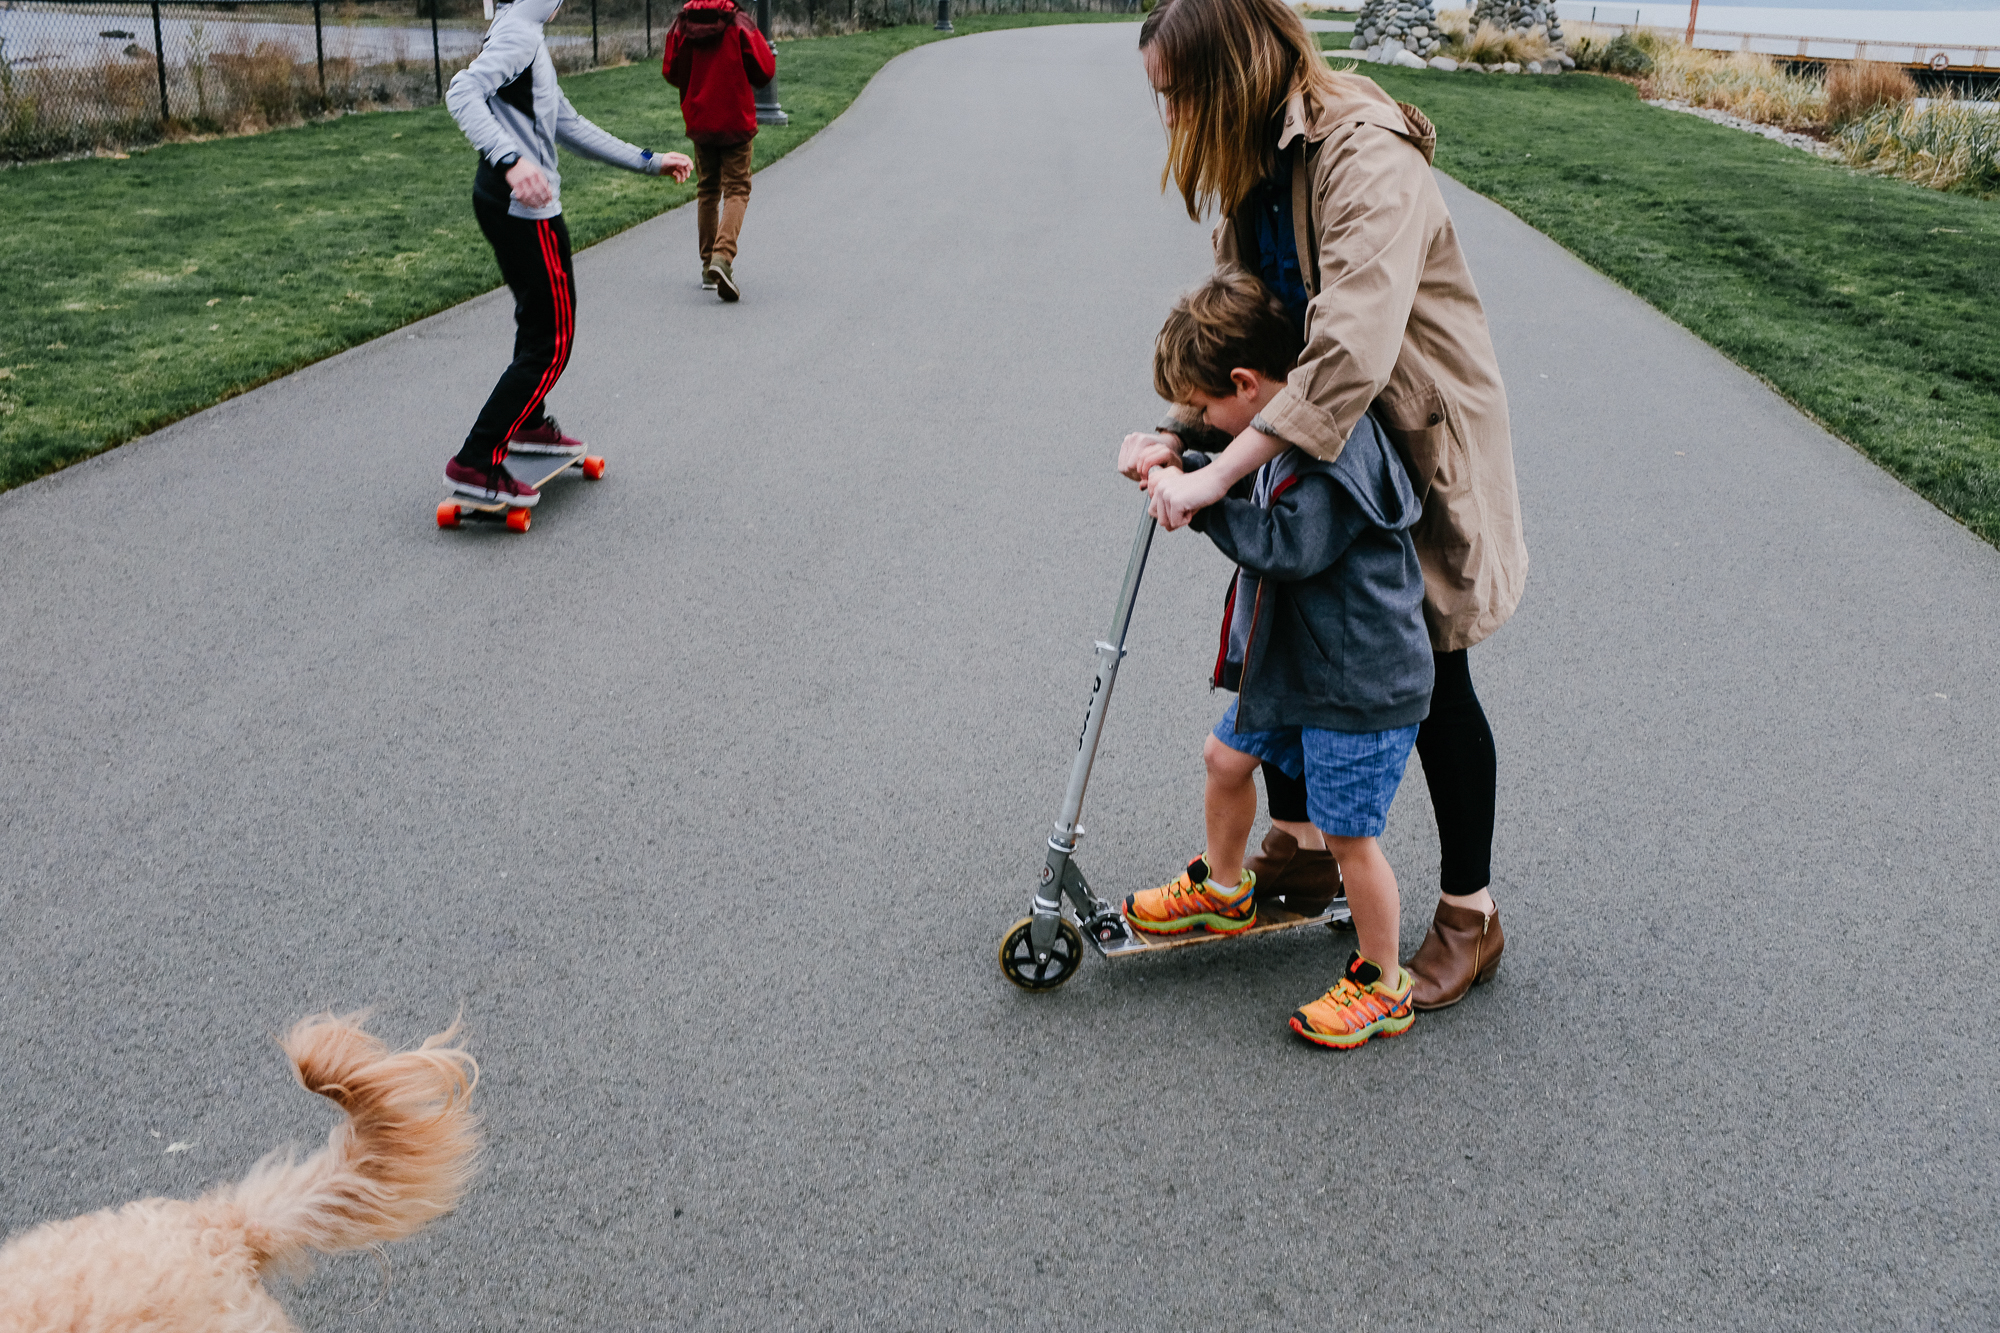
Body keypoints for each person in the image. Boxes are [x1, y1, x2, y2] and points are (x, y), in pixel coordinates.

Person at [1119, 0, 1528, 1011]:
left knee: (1426, 665)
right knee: (1293, 639)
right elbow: (1242, 317)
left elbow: (1346, 349)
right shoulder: (1259, 159)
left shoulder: (1362, 154)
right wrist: (1183, 426)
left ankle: (1469, 916)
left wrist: (1213, 478)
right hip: (1313, 442)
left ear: (1232, 69)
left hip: (1406, 446)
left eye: (1175, 96)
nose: (1169, 119)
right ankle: (1299, 857)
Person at [1124, 269, 1432, 1050]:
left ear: (1247, 383)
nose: (1202, 421)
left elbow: (1287, 545)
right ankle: (1225, 889)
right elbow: (1228, 439)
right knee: (1224, 757)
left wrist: (1199, 501)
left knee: (1348, 834)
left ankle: (1383, 978)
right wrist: (1178, 446)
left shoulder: (1336, 453)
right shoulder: (1273, 417)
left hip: (1359, 678)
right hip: (1297, 666)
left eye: (1203, 406)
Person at [442, 0, 692, 507]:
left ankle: (528, 424)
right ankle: (475, 458)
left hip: (498, 198)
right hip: (522, 207)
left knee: (537, 323)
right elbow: (462, 90)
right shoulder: (521, 35)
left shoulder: (517, 29)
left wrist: (649, 161)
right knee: (552, 341)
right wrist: (512, 161)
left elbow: (567, 123)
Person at [662, 0, 777, 303]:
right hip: (735, 117)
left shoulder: (682, 24)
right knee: (737, 188)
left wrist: (694, 82)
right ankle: (722, 256)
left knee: (708, 190)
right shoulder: (738, 22)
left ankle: (706, 266)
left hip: (701, 116)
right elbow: (764, 69)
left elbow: (671, 70)